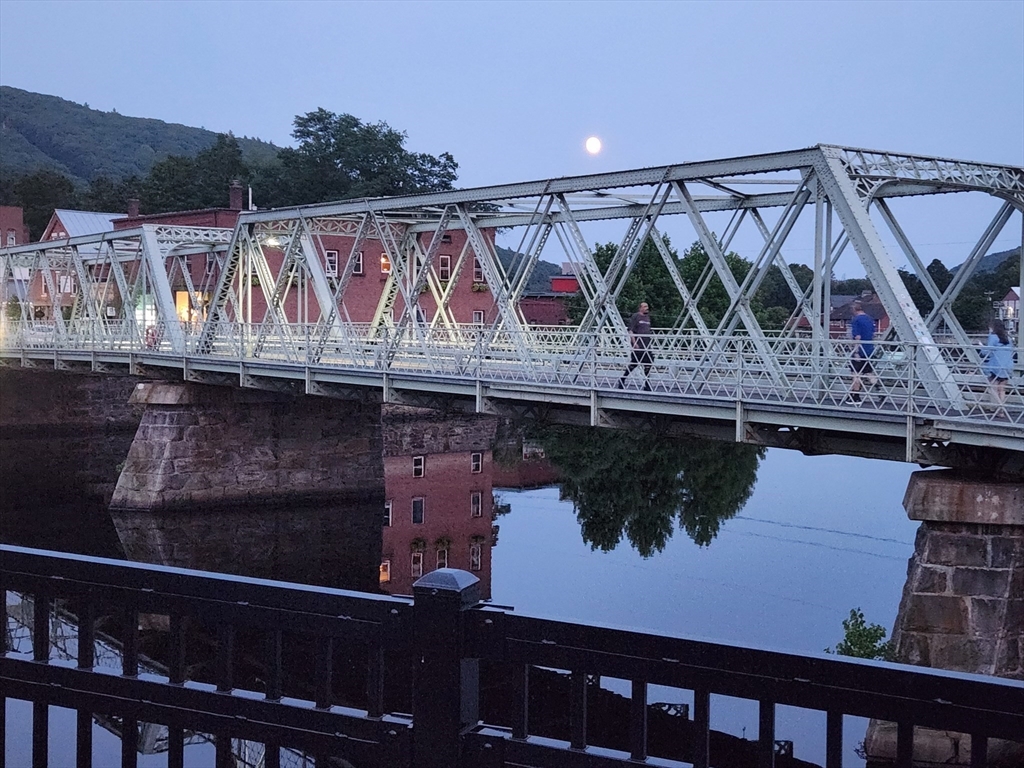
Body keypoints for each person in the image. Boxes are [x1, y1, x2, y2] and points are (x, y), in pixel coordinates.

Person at [618, 301, 653, 390]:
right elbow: (631, 330)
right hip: (638, 344)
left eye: (647, 306)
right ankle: (622, 379)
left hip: (646, 345)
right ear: (640, 308)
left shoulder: (647, 318)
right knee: (634, 363)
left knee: (649, 363)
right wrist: (634, 343)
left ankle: (647, 383)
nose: (647, 308)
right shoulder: (636, 316)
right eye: (645, 306)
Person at [848, 299, 877, 403]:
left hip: (860, 350)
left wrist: (856, 352)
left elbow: (857, 337)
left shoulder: (856, 320)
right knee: (868, 371)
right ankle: (879, 389)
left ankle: (855, 397)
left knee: (855, 373)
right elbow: (873, 334)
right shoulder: (870, 319)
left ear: (854, 310)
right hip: (869, 349)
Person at [981, 318, 1013, 409]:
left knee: (992, 388)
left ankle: (1000, 408)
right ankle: (1001, 409)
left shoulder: (993, 337)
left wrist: (981, 347)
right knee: (1002, 389)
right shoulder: (1008, 338)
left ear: (993, 327)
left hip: (996, 366)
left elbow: (987, 352)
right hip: (1008, 365)